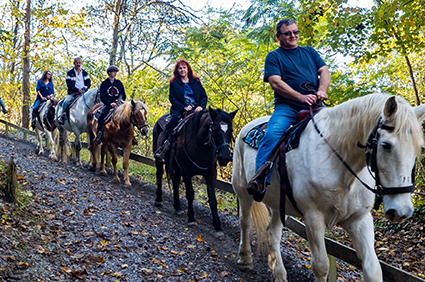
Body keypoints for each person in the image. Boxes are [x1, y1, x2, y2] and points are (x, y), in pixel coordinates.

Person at [249, 18, 331, 190]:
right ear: (278, 37)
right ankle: (260, 179)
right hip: (287, 107)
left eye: (296, 32)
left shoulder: (309, 52)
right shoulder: (274, 56)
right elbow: (275, 83)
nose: (293, 35)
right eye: (287, 33)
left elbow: (324, 71)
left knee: (338, 130)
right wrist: (300, 97)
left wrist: (322, 90)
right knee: (272, 134)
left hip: (315, 104)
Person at [154, 58, 208, 162]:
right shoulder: (174, 83)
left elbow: (203, 96)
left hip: (197, 110)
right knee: (172, 124)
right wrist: (184, 107)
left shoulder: (196, 81)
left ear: (188, 69)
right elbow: (172, 98)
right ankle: (162, 148)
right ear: (177, 71)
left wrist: (201, 106)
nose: (182, 70)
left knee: (210, 122)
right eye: (180, 68)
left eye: (184, 68)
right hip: (180, 110)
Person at [93, 65, 126, 145]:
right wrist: (110, 103)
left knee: (129, 115)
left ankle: (131, 137)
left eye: (115, 72)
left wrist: (118, 101)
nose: (114, 73)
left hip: (119, 104)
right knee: (101, 116)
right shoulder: (104, 84)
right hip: (108, 104)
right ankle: (99, 134)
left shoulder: (118, 83)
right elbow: (102, 96)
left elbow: (123, 94)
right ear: (109, 73)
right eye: (113, 72)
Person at [57, 57, 91, 125]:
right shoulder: (70, 73)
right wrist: (77, 90)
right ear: (74, 63)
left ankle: (93, 117)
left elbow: (89, 82)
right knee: (66, 101)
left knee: (92, 100)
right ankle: (62, 115)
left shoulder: (84, 72)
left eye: (79, 63)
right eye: (77, 63)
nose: (78, 64)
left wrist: (86, 86)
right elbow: (69, 84)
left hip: (84, 92)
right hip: (73, 92)